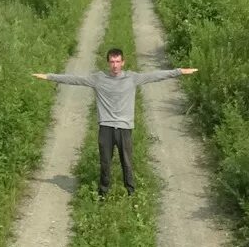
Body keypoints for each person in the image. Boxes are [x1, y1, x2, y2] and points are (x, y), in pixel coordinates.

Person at [33, 48, 197, 197]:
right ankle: (103, 193)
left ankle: (131, 192)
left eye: (118, 61)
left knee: (127, 162)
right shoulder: (98, 79)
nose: (115, 65)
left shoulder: (132, 78)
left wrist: (179, 71)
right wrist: (49, 76)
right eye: (112, 61)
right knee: (105, 162)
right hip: (106, 127)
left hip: (124, 128)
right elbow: (74, 79)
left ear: (123, 62)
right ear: (108, 63)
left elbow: (155, 75)